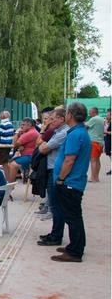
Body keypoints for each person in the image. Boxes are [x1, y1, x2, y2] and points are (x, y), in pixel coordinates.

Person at [48, 102, 92, 263]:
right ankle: (75, 246)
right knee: (73, 216)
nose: (65, 115)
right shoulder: (79, 132)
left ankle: (75, 251)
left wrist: (60, 178)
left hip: (70, 182)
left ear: (71, 115)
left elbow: (69, 160)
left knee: (73, 217)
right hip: (73, 182)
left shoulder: (75, 134)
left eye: (67, 113)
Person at [34, 108, 68, 224]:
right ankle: (54, 227)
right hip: (51, 165)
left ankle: (56, 231)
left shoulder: (62, 133)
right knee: (51, 194)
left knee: (54, 197)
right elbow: (40, 144)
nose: (49, 122)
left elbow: (42, 148)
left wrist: (43, 143)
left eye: (51, 119)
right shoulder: (56, 131)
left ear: (61, 119)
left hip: (54, 167)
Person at [5, 118, 39, 182]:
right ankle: (21, 177)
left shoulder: (30, 133)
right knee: (8, 162)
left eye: (23, 125)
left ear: (29, 125)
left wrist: (16, 133)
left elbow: (14, 144)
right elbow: (18, 144)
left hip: (30, 156)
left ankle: (10, 185)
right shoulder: (32, 131)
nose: (21, 126)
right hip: (30, 155)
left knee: (12, 164)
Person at [86, 107, 104, 183]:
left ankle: (93, 178)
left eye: (90, 112)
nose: (89, 114)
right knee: (97, 160)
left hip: (93, 141)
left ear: (93, 112)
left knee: (93, 160)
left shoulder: (94, 119)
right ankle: (96, 177)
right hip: (100, 142)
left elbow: (85, 126)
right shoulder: (101, 119)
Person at [104, 108, 111, 175]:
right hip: (107, 140)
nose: (107, 116)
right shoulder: (108, 122)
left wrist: (106, 132)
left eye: (108, 115)